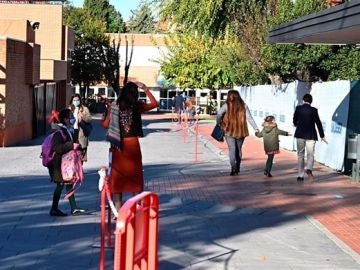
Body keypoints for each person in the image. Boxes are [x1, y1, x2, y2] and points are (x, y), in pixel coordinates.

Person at [102, 81, 158, 210]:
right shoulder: (137, 106)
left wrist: (101, 120)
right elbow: (155, 104)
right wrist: (146, 88)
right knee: (135, 175)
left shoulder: (114, 106)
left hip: (118, 145)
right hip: (133, 144)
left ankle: (117, 210)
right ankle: (136, 207)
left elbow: (105, 125)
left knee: (118, 176)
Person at [48, 108, 85, 216]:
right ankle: (54, 208)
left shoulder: (68, 130)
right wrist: (71, 145)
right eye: (71, 118)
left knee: (69, 183)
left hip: (66, 164)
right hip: (59, 164)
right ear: (65, 119)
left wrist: (79, 148)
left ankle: (74, 207)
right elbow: (57, 147)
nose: (73, 119)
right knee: (60, 185)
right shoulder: (58, 132)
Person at [216, 90, 259, 176]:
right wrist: (256, 128)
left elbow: (219, 114)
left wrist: (218, 123)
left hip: (229, 131)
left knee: (232, 149)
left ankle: (233, 167)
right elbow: (249, 118)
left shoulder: (226, 105)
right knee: (238, 150)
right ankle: (238, 166)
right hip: (241, 131)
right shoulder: (244, 106)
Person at [293, 93, 327, 182]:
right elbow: (318, 123)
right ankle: (309, 168)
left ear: (303, 100)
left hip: (300, 134)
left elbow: (294, 120)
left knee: (300, 155)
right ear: (311, 101)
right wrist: (322, 136)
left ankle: (300, 176)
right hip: (311, 135)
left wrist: (298, 125)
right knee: (310, 154)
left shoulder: (298, 108)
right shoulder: (314, 110)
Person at [68, 94, 92, 162]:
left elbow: (89, 119)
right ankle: (74, 168)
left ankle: (80, 168)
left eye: (77, 100)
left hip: (81, 132)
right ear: (72, 101)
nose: (76, 101)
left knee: (81, 151)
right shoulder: (69, 109)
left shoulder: (84, 109)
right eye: (74, 100)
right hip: (72, 132)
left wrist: (83, 116)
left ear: (80, 100)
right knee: (72, 151)